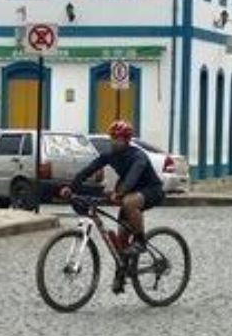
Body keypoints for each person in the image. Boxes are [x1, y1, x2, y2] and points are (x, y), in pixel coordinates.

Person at [61, 120, 164, 295]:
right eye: (112, 138)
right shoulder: (110, 155)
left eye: (118, 138)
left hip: (150, 191)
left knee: (129, 202)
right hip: (128, 192)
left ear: (126, 140)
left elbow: (133, 176)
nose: (114, 141)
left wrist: (121, 192)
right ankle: (121, 274)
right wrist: (71, 187)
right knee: (121, 243)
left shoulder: (138, 156)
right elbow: (89, 169)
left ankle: (140, 241)